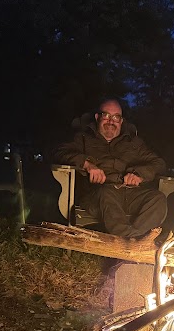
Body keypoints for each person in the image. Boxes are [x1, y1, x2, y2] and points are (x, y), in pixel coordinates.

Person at [53, 98, 167, 238]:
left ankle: (133, 239)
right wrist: (87, 164)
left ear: (121, 121)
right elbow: (59, 152)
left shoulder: (134, 143)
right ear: (97, 117)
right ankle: (129, 243)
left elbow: (158, 163)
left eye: (116, 117)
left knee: (158, 198)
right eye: (106, 115)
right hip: (98, 194)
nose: (111, 121)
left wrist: (139, 174)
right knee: (106, 193)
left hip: (130, 193)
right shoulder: (83, 139)